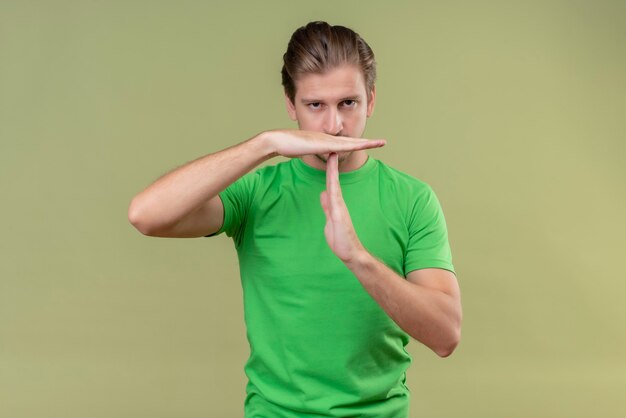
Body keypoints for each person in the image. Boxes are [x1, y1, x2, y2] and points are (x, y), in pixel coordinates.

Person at [128, 21, 462, 418]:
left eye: (348, 103)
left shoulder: (412, 200)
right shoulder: (256, 194)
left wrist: (358, 258)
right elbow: (145, 215)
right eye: (315, 105)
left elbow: (445, 335)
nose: (334, 126)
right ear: (291, 105)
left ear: (371, 100)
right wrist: (264, 145)